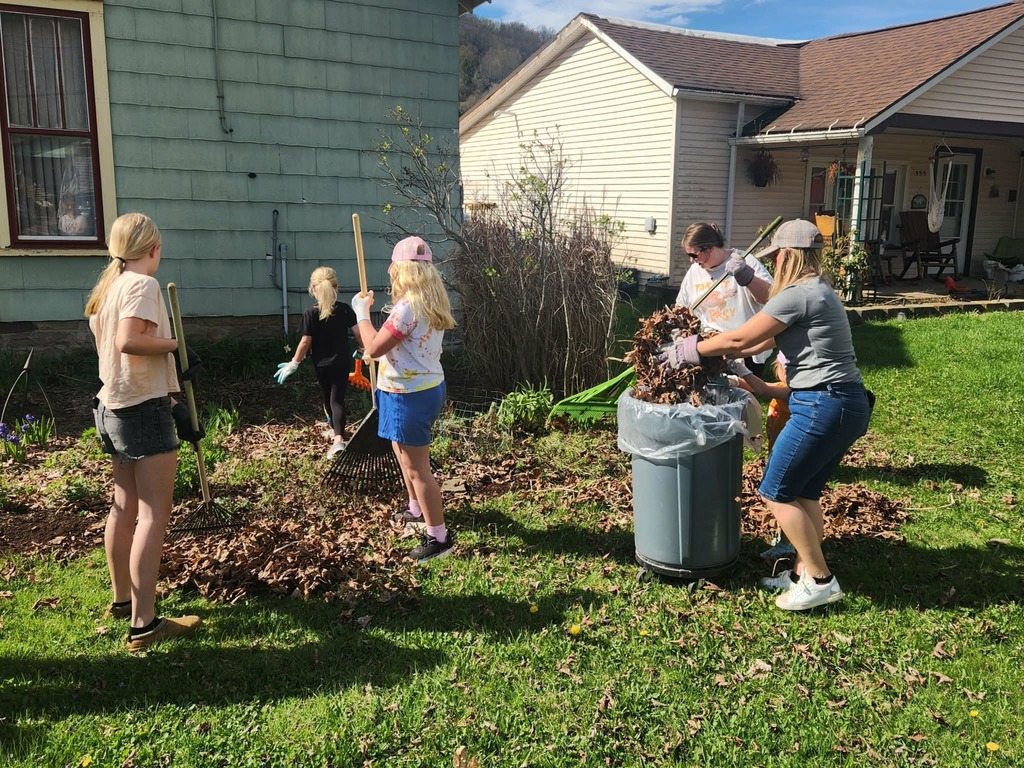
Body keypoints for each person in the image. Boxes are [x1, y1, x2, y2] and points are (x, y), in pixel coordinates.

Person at [659, 219, 872, 611]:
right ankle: (804, 574)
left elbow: (742, 336)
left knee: (775, 490)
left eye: (776, 258)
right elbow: (759, 342)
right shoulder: (818, 289)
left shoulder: (799, 293)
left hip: (822, 403)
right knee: (804, 492)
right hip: (843, 403)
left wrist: (691, 351)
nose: (773, 263)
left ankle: (821, 581)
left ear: (788, 254)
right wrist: (730, 359)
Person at [84, 212, 202, 651]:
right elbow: (129, 342)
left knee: (124, 507)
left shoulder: (109, 288)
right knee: (152, 515)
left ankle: (122, 602)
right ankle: (144, 624)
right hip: (139, 411)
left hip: (113, 407)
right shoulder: (142, 285)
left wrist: (171, 399)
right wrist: (178, 347)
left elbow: (120, 357)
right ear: (154, 248)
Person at [351, 236, 457, 563]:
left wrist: (361, 314)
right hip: (420, 387)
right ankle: (416, 509)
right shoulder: (429, 302)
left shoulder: (408, 307)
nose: (390, 272)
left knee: (417, 468)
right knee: (402, 454)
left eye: (394, 267)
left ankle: (439, 538)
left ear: (404, 270)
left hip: (409, 394)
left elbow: (373, 348)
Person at [274, 267, 362, 457]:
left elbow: (305, 342)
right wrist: (363, 348)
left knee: (327, 396)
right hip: (342, 362)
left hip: (322, 365)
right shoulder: (345, 309)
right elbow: (358, 333)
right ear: (336, 287)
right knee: (337, 399)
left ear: (313, 289)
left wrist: (294, 363)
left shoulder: (310, 313)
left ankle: (338, 438)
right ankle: (337, 434)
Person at [675, 222, 775, 375]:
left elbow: (771, 297)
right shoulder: (695, 271)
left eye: (694, 255)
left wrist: (747, 276)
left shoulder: (744, 260)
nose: (691, 260)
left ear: (710, 248)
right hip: (711, 345)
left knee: (741, 391)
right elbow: (681, 307)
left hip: (745, 349)